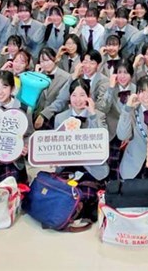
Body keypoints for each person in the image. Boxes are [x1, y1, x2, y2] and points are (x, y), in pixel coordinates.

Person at [52, 78, 110, 226]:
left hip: (91, 166)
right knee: (63, 190)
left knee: (87, 192)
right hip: (68, 166)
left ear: (89, 96)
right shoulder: (60, 118)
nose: (78, 100)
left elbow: (102, 141)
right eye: (74, 95)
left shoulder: (98, 115)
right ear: (69, 97)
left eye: (82, 95)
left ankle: (82, 210)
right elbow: (55, 146)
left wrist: (92, 114)